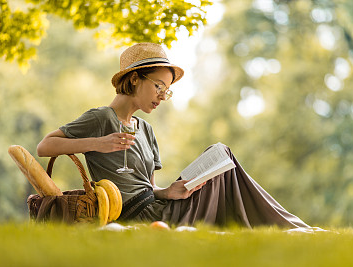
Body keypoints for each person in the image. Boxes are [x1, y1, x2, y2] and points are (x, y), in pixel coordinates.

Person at [37, 42, 310, 229]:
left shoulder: (146, 130)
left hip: (159, 207)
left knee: (221, 157)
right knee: (223, 159)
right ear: (134, 78)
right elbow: (44, 146)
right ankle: (285, 225)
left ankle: (286, 224)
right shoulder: (101, 118)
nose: (162, 96)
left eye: (166, 90)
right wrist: (98, 143)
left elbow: (149, 188)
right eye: (159, 86)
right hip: (136, 216)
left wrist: (168, 191)